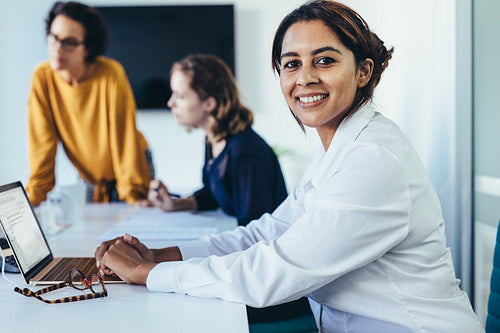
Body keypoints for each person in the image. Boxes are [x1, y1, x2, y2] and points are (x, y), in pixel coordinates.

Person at [95, 1, 484, 331]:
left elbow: (276, 271)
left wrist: (148, 274)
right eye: (291, 64)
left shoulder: (373, 160)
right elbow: (266, 234)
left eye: (325, 61)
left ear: (363, 71)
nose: (305, 78)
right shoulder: (338, 149)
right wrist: (163, 255)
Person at [26, 1, 152, 206]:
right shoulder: (42, 77)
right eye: (54, 38)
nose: (58, 48)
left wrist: (134, 195)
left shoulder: (111, 74)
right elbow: (42, 144)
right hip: (88, 174)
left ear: (88, 49)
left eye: (70, 43)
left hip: (132, 167)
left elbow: (124, 138)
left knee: (130, 227)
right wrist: (33, 198)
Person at [146, 54, 287, 227]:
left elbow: (255, 228)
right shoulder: (213, 138)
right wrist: (174, 205)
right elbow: (213, 195)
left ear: (209, 103)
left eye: (180, 96)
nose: (170, 103)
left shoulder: (245, 152)